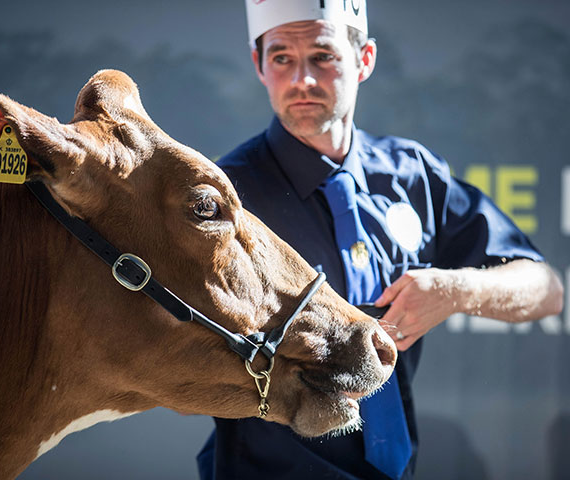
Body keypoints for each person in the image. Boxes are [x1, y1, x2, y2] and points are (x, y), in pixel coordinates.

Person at [197, 0, 564, 478]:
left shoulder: (412, 174)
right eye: (282, 57)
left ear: (364, 59)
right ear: (258, 65)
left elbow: (545, 289)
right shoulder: (225, 198)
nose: (302, 79)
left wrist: (455, 291)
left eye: (323, 56)